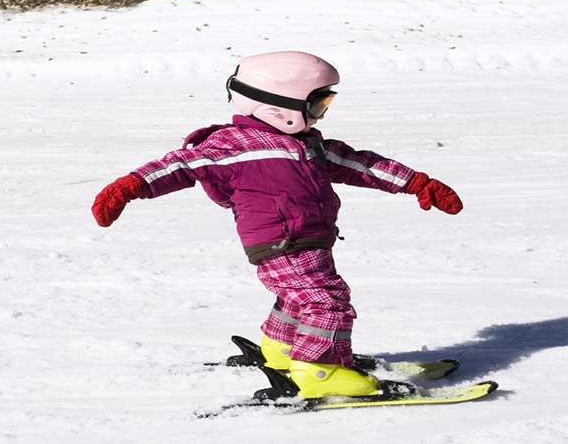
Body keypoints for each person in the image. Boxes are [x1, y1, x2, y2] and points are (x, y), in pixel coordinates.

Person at [90, 51, 463, 398]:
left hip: (310, 238)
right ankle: (320, 369)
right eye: (317, 104)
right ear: (279, 106)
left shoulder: (306, 143)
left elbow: (358, 164)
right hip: (281, 240)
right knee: (328, 302)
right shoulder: (235, 145)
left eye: (325, 104)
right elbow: (181, 164)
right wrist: (131, 186)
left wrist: (416, 183)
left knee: (297, 297)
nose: (320, 114)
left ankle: (283, 349)